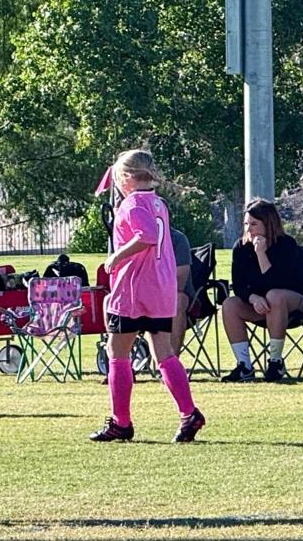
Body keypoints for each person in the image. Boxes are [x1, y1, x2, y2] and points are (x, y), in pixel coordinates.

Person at [90, 150, 205, 443]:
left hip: (134, 287)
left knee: (117, 352)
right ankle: (189, 413)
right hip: (160, 286)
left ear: (127, 177)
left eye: (118, 177)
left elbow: (147, 236)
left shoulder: (131, 204)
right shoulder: (157, 202)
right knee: (163, 352)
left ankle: (121, 422)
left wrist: (116, 256)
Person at [221, 199, 303, 383]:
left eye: (254, 224)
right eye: (246, 224)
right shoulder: (241, 247)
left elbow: (278, 282)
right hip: (262, 307)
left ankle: (276, 362)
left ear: (268, 223)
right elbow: (238, 285)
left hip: (297, 304)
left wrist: (261, 253)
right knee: (230, 304)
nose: (249, 229)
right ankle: (244, 366)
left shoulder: (286, 244)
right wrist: (252, 298)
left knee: (274, 295)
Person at [169, 227, 194, 357]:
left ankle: (172, 361)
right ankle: (119, 362)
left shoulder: (177, 239)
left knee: (177, 301)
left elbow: (180, 282)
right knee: (110, 300)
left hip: (173, 295)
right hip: (139, 297)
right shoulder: (124, 237)